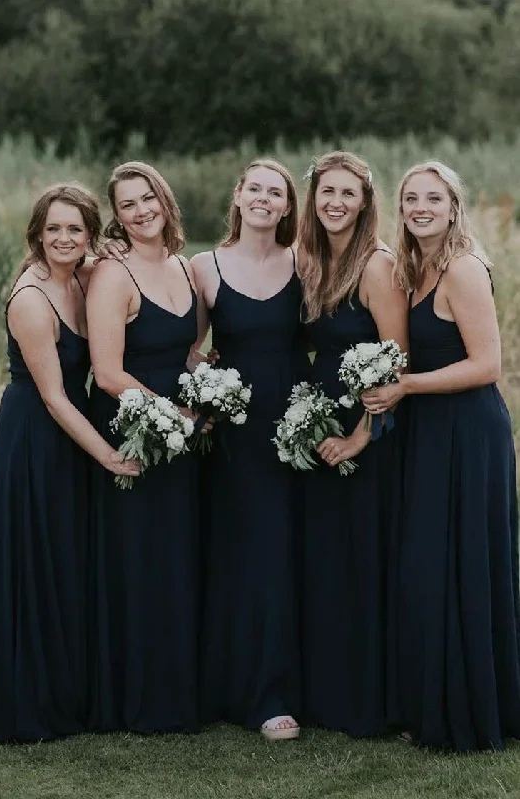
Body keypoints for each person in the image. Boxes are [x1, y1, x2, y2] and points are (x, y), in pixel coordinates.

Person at [362, 161, 520, 751]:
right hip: (429, 431)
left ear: (454, 207)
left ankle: (471, 711)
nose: (420, 207)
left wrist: (405, 387)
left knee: (463, 563)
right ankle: (433, 703)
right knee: (429, 565)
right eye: (410, 198)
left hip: (468, 433)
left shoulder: (463, 269)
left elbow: (488, 366)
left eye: (433, 198)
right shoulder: (416, 268)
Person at [0, 184, 139, 741]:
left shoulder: (82, 275)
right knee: (37, 561)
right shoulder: (31, 300)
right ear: (37, 233)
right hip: (35, 437)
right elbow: (53, 396)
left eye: (75, 228)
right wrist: (107, 455)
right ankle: (31, 700)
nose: (64, 238)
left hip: (69, 434)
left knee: (68, 560)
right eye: (53, 229)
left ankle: (72, 688)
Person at [87, 161, 208, 733]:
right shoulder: (114, 276)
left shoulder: (184, 267)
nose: (140, 211)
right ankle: (142, 698)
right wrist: (173, 414)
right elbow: (108, 372)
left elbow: (184, 351)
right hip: (136, 430)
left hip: (182, 436)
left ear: (165, 200)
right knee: (140, 558)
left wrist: (209, 389)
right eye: (127, 205)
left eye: (147, 198)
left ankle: (182, 689)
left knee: (178, 557)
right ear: (116, 217)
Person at [190, 159, 308, 739]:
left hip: (298, 425)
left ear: (288, 207)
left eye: (276, 192)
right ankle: (259, 694)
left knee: (295, 551)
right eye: (254, 188)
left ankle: (302, 683)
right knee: (249, 554)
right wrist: (205, 388)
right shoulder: (203, 268)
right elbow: (183, 347)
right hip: (237, 430)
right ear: (237, 196)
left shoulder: (304, 262)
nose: (264, 198)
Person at [298, 151, 408, 736]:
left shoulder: (376, 265)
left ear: (366, 202)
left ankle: (371, 698)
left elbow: (396, 362)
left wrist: (361, 437)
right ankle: (328, 692)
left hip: (368, 425)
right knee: (329, 559)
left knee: (365, 555)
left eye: (347, 193)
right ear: (312, 198)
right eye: (325, 193)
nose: (335, 203)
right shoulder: (311, 258)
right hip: (319, 421)